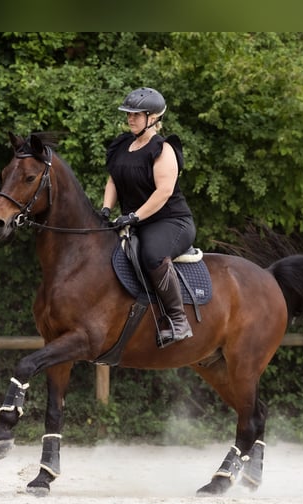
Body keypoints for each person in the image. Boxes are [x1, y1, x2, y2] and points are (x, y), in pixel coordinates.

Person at [101, 87, 197, 346]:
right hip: (134, 221)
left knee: (152, 255)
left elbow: (163, 192)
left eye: (136, 114)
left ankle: (179, 321)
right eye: (129, 114)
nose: (130, 118)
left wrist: (133, 216)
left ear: (153, 117)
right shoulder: (122, 145)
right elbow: (113, 180)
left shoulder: (163, 149)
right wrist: (107, 210)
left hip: (169, 221)